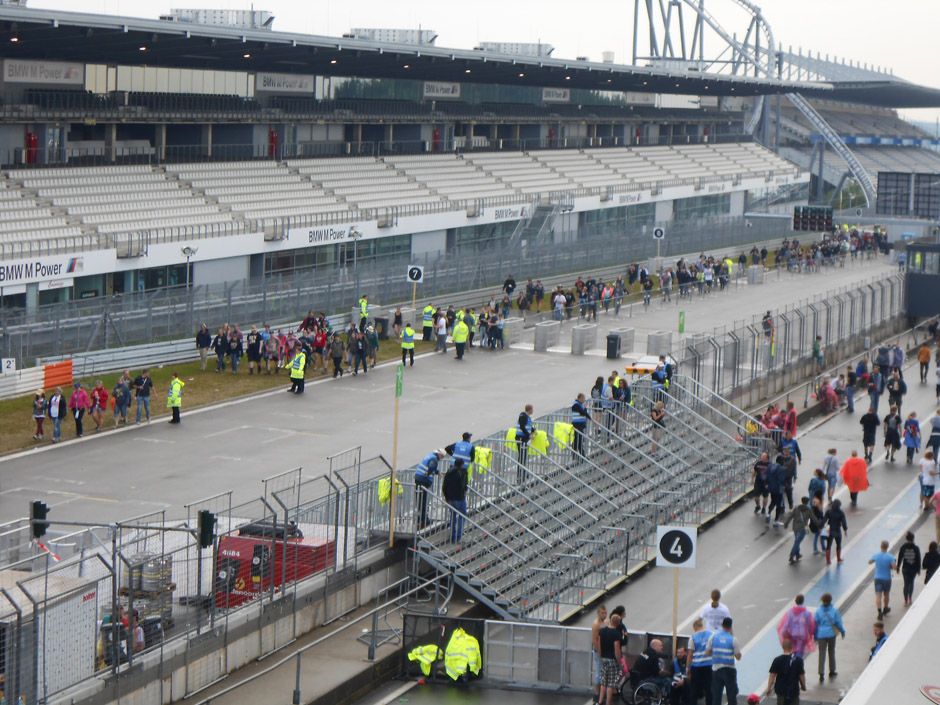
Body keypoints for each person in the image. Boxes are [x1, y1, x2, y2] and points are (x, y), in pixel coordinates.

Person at [705, 617, 741, 705]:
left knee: (716, 696)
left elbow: (707, 652)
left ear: (722, 625)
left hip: (716, 670)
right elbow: (738, 657)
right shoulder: (733, 639)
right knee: (731, 696)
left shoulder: (713, 637)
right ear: (730, 626)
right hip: (729, 670)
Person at [813, 593, 845, 682]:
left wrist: (815, 635)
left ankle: (821, 673)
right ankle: (832, 671)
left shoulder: (819, 611)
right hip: (831, 634)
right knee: (831, 652)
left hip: (821, 635)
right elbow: (838, 623)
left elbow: (815, 623)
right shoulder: (834, 611)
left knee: (821, 653)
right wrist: (842, 632)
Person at [766, 638, 806, 705]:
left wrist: (769, 688)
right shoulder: (798, 660)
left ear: (782, 647)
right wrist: (803, 685)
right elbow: (801, 675)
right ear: (791, 647)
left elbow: (772, 675)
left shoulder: (777, 660)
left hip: (780, 689)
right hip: (794, 689)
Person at [597, 614, 626, 705]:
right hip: (612, 660)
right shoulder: (616, 634)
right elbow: (617, 650)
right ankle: (608, 703)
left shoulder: (602, 631)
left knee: (604, 681)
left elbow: (599, 644)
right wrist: (620, 662)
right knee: (611, 683)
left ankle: (600, 701)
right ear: (618, 623)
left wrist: (601, 655)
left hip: (604, 658)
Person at [415, 449, 445, 529]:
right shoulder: (434, 459)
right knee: (423, 501)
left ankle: (419, 518)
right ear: (439, 454)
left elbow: (432, 467)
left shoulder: (430, 456)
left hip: (418, 477)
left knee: (419, 500)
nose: (442, 458)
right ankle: (423, 519)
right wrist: (428, 472)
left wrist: (437, 472)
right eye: (442, 456)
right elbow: (432, 466)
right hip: (423, 480)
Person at [686, 618, 713, 705]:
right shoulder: (711, 635)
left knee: (694, 689)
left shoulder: (693, 637)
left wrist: (687, 668)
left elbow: (690, 655)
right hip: (709, 666)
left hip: (697, 667)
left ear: (695, 627)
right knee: (709, 690)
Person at [868, 540, 897, 620]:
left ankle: (879, 612)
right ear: (887, 547)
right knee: (886, 594)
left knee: (878, 595)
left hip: (877, 578)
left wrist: (873, 561)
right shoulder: (890, 557)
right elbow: (894, 567)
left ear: (881, 547)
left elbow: (870, 562)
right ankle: (885, 608)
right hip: (887, 578)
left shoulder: (876, 555)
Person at [442, 458, 468, 543]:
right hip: (459, 498)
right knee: (462, 516)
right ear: (461, 465)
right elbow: (463, 486)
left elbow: (444, 486)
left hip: (450, 498)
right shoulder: (461, 473)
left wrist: (447, 498)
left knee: (452, 516)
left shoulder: (448, 473)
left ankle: (453, 536)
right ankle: (458, 536)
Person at [783, 498, 813, 565]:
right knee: (797, 542)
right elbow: (813, 518)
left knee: (797, 540)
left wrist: (786, 523)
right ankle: (792, 555)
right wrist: (819, 525)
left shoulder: (797, 508)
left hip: (795, 527)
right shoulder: (808, 510)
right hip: (802, 528)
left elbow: (791, 516)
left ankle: (797, 554)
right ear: (807, 502)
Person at [896, 531, 921, 607]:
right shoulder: (916, 548)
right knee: (911, 583)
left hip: (905, 568)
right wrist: (918, 569)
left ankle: (905, 600)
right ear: (913, 539)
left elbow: (900, 557)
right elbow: (918, 559)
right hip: (913, 569)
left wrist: (898, 567)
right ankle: (910, 597)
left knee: (906, 584)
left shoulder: (903, 547)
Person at [590, 604, 608, 705]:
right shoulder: (596, 624)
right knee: (600, 672)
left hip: (604, 651)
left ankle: (601, 693)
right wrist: (600, 652)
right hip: (599, 652)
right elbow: (594, 640)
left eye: (605, 613)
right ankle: (597, 694)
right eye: (602, 613)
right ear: (598, 613)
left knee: (603, 672)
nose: (604, 615)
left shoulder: (605, 622)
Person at [822, 498, 847, 565]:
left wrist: (821, 526)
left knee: (828, 545)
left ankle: (828, 560)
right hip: (837, 531)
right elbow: (843, 522)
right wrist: (845, 530)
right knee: (838, 545)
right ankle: (838, 558)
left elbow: (824, 520)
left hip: (830, 530)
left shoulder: (829, 511)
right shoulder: (841, 513)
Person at [516, 404, 534, 482]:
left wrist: (533, 430)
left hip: (524, 438)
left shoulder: (527, 417)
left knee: (524, 456)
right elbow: (522, 427)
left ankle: (523, 473)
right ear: (529, 410)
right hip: (521, 438)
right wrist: (529, 435)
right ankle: (520, 475)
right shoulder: (523, 416)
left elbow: (528, 426)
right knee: (522, 457)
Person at [571, 393, 589, 460]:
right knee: (577, 440)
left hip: (579, 424)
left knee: (578, 440)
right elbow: (583, 413)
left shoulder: (579, 404)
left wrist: (590, 418)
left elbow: (584, 414)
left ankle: (580, 454)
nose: (584, 400)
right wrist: (586, 408)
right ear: (580, 398)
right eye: (583, 398)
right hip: (577, 424)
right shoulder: (576, 405)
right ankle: (579, 455)